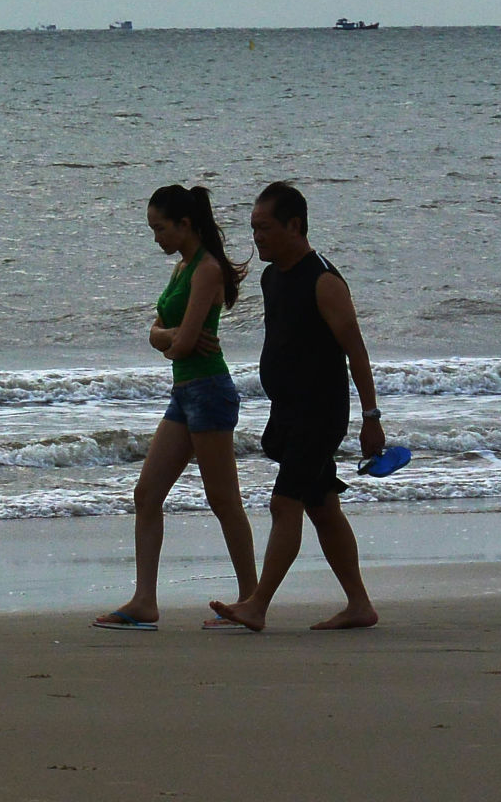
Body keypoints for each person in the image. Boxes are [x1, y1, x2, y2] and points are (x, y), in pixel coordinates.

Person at [212, 182, 387, 632]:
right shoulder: (273, 277)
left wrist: (371, 419)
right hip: (289, 413)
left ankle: (257, 605)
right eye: (253, 228)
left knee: (283, 503)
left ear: (295, 226)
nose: (257, 237)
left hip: (320, 413)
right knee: (323, 507)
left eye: (265, 228)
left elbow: (357, 352)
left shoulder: (323, 280)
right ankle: (360, 605)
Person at [94, 185, 258, 631]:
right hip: (185, 392)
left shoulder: (206, 269)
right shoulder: (182, 268)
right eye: (152, 229)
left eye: (160, 228)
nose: (156, 238)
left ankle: (251, 601)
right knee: (146, 495)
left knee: (223, 500)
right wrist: (168, 338)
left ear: (185, 224)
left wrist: (169, 339)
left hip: (209, 390)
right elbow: (162, 335)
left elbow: (181, 343)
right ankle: (145, 601)